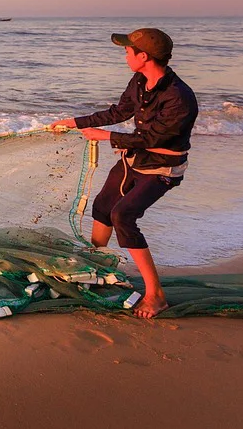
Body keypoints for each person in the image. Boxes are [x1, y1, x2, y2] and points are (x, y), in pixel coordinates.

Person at [50, 28, 198, 319]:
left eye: (128, 51)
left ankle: (156, 295)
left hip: (162, 167)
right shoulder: (139, 80)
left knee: (123, 215)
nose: (125, 55)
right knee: (103, 207)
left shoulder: (179, 98)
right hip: (135, 158)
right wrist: (75, 122)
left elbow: (152, 140)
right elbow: (120, 113)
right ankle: (97, 267)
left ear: (143, 56)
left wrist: (104, 137)